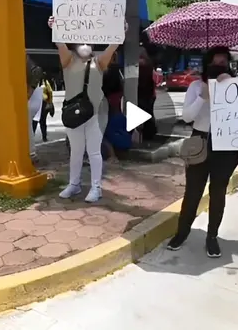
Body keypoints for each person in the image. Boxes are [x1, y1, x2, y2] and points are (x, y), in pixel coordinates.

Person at [166, 46, 238, 257]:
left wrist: (229, 88)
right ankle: (182, 233)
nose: (219, 66)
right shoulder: (196, 86)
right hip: (199, 141)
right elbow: (187, 117)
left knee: (218, 193)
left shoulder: (235, 87)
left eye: (223, 63)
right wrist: (203, 96)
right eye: (215, 63)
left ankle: (212, 237)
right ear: (207, 64)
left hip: (225, 145)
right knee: (193, 192)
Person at [48, 15, 125, 203]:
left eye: (88, 41)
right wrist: (54, 26)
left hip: (96, 112)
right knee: (76, 150)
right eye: (81, 41)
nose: (85, 44)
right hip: (74, 112)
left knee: (94, 151)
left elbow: (113, 46)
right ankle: (74, 185)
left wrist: (119, 30)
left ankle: (96, 187)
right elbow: (59, 43)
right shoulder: (68, 60)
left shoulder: (98, 62)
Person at [138, 47, 157, 141]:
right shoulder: (150, 65)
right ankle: (150, 133)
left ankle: (146, 134)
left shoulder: (141, 66)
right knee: (149, 113)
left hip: (142, 94)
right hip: (150, 94)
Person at [33, 75, 54, 142]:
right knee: (35, 122)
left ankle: (44, 136)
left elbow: (50, 92)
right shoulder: (33, 83)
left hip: (43, 104)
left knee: (41, 121)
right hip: (36, 103)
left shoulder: (45, 82)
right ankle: (33, 137)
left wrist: (50, 103)